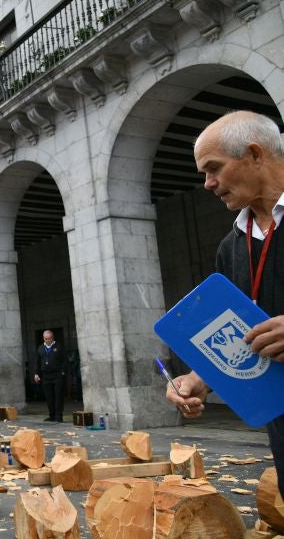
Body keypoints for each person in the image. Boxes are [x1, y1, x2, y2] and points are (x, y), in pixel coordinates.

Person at [164, 110, 284, 497]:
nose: (207, 183)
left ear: (254, 154)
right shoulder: (230, 248)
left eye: (213, 168)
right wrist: (199, 379)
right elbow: (234, 335)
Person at [34, 330, 65, 422]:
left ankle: (58, 416)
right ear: (43, 338)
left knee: (58, 396)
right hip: (46, 376)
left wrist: (62, 373)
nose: (48, 340)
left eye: (49, 338)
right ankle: (51, 415)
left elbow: (64, 361)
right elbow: (37, 362)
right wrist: (36, 374)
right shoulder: (40, 348)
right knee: (49, 396)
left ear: (53, 337)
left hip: (57, 375)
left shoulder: (59, 347)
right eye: (46, 338)